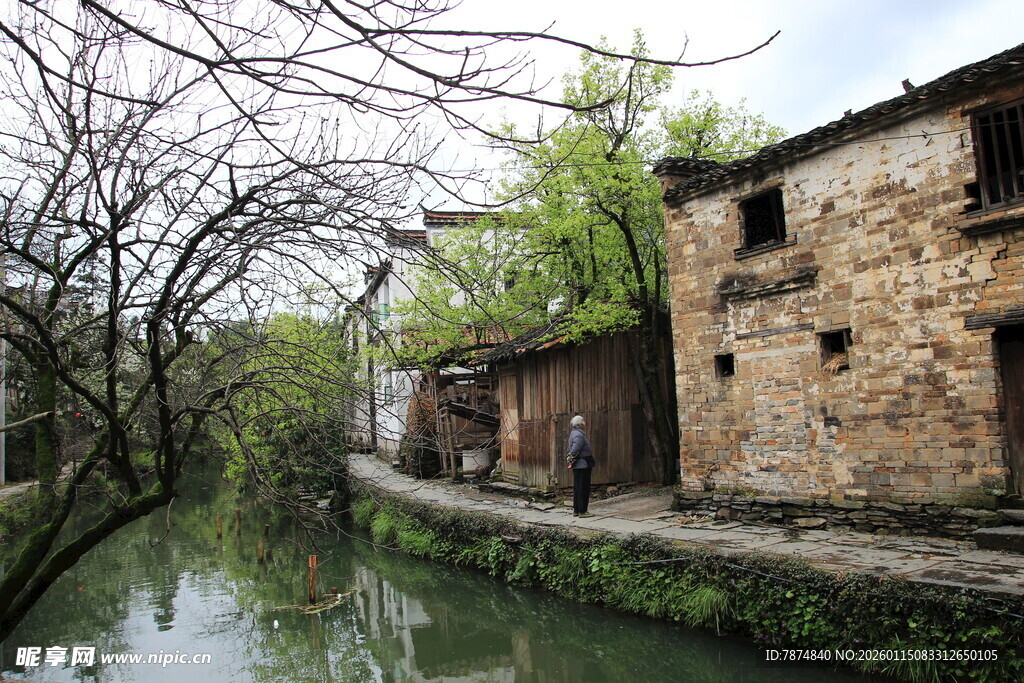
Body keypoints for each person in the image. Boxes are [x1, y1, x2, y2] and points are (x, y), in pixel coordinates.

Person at [566, 414, 596, 517]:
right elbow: (574, 450)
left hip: (579, 465)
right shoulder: (578, 435)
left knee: (578, 488)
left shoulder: (574, 433)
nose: (585, 424)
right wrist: (572, 458)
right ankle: (582, 511)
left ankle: (577, 510)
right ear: (580, 425)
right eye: (583, 423)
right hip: (583, 465)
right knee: (583, 488)